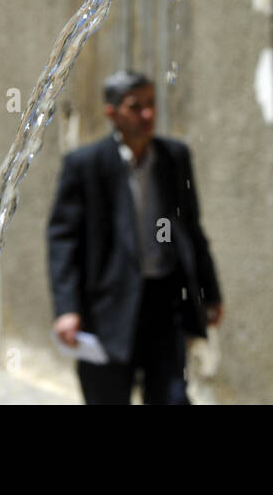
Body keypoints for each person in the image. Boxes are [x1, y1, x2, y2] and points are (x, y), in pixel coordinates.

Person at [47, 69, 222, 404]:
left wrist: (209, 293)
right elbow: (63, 240)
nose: (148, 114)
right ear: (111, 112)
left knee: (173, 397)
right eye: (135, 106)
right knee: (107, 397)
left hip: (165, 304)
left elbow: (191, 229)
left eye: (151, 104)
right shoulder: (85, 165)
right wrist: (67, 308)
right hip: (107, 310)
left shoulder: (174, 158)